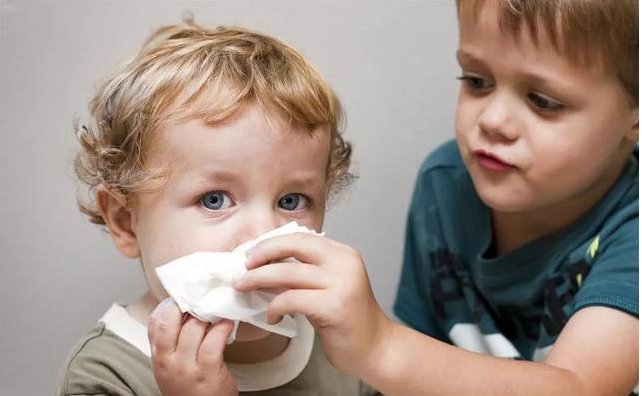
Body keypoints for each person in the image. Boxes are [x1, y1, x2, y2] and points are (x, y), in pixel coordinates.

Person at [233, 0, 639, 394]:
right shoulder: (446, 185)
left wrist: (380, 345)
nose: (493, 121)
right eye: (477, 81)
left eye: (543, 101)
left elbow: (582, 386)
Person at [56, 18, 379, 396]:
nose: (264, 234)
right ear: (126, 222)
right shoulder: (107, 374)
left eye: (291, 201)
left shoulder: (341, 345)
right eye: (215, 200)